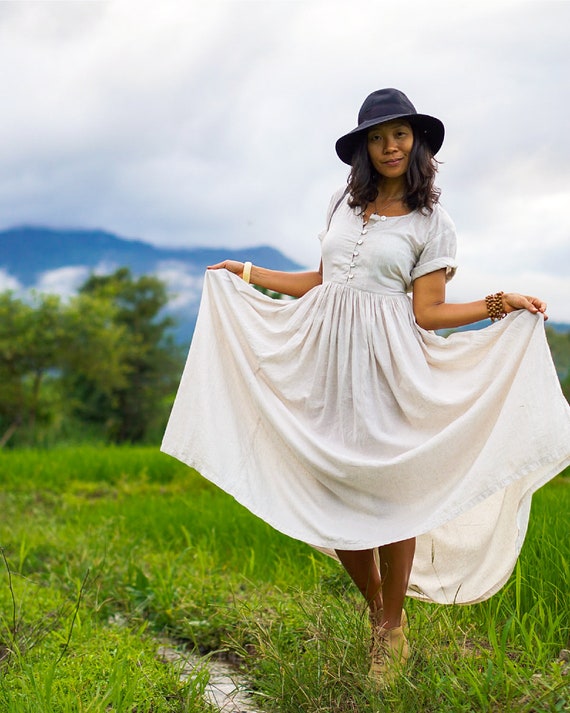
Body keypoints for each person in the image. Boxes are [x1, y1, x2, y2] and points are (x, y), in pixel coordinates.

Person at [161, 88, 570, 685]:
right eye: (377, 137)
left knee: (391, 491)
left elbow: (426, 312)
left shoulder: (434, 221)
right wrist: (247, 273)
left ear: (417, 140)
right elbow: (323, 280)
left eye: (399, 134)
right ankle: (380, 610)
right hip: (327, 358)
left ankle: (389, 627)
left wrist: (496, 303)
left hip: (389, 362)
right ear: (363, 148)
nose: (389, 146)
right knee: (336, 491)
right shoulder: (343, 204)